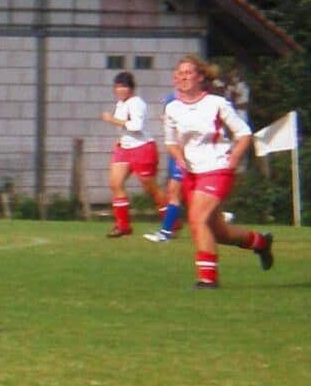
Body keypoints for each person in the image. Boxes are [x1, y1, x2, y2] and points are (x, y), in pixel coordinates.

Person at [164, 53, 273, 289]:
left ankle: (207, 279)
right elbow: (170, 141)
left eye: (188, 72)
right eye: (179, 73)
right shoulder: (172, 108)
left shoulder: (216, 104)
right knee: (219, 232)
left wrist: (234, 156)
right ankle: (260, 242)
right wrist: (178, 157)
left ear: (201, 77)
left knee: (197, 219)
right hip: (192, 174)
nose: (182, 77)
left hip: (217, 168)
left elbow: (243, 133)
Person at [100, 71, 167, 237]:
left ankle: (171, 221)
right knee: (115, 184)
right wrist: (121, 139)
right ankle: (123, 226)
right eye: (118, 87)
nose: (120, 90)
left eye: (124, 86)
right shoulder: (120, 104)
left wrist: (111, 120)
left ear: (131, 88)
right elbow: (125, 128)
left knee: (150, 189)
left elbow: (136, 126)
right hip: (125, 148)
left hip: (142, 148)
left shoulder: (137, 103)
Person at [145, 70, 185, 243]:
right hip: (175, 152)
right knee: (175, 191)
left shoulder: (199, 100)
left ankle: (167, 232)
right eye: (176, 77)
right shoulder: (171, 100)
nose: (179, 80)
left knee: (176, 190)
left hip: (189, 153)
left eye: (183, 76)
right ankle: (168, 231)